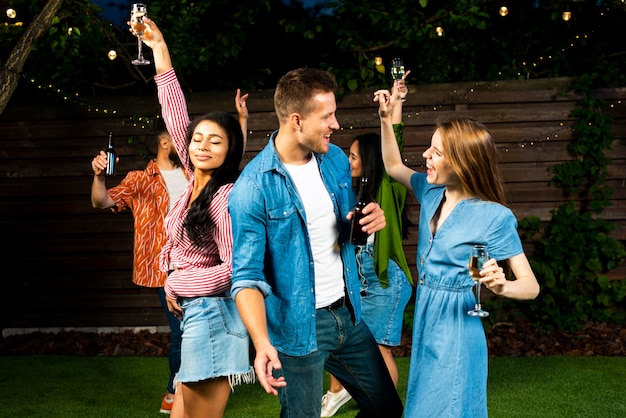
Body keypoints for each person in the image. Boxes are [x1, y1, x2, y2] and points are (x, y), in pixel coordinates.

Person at [228, 67, 404, 418]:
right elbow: (245, 276)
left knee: (386, 408)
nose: (335, 125)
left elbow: (341, 228)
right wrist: (262, 343)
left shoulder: (335, 160)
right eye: (327, 116)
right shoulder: (252, 188)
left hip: (349, 314)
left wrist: (367, 222)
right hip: (298, 330)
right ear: (296, 120)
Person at [374, 85, 541, 417]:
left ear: (462, 162)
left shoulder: (494, 216)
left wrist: (502, 286)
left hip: (458, 332)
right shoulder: (432, 192)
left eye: (436, 152)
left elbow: (531, 286)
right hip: (426, 323)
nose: (426, 156)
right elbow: (393, 165)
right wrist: (387, 117)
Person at [137, 17, 254, 418]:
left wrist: (181, 281)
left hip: (215, 315)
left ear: (229, 151)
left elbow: (237, 268)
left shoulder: (225, 197)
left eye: (215, 140)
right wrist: (159, 50)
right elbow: (173, 111)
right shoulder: (191, 184)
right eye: (197, 138)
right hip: (194, 313)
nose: (202, 145)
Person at [321, 73, 414, 417]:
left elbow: (396, 150)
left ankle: (385, 411)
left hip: (386, 282)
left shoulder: (390, 189)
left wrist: (393, 109)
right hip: (360, 285)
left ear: (370, 160)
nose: (348, 160)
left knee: (379, 351)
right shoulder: (351, 193)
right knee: (352, 346)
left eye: (355, 156)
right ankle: (347, 397)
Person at [90, 126, 189, 414]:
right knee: (181, 330)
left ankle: (183, 391)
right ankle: (174, 392)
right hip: (165, 269)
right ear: (163, 141)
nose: (187, 143)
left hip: (196, 265)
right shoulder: (139, 180)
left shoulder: (193, 175)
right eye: (180, 138)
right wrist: (98, 176)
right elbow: (101, 201)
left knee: (191, 330)